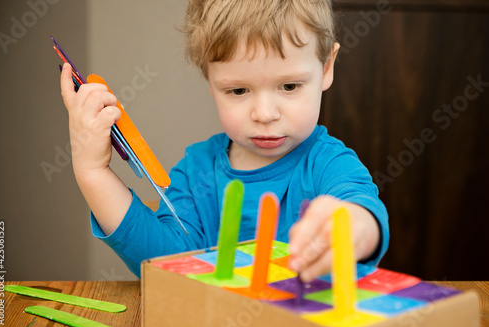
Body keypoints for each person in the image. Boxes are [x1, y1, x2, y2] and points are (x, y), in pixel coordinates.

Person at [60, 0, 389, 280]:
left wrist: (353, 227)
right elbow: (164, 264)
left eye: (289, 86)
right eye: (238, 90)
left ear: (327, 67)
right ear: (210, 79)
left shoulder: (328, 163)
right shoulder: (195, 172)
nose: (264, 113)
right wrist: (93, 174)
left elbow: (362, 210)